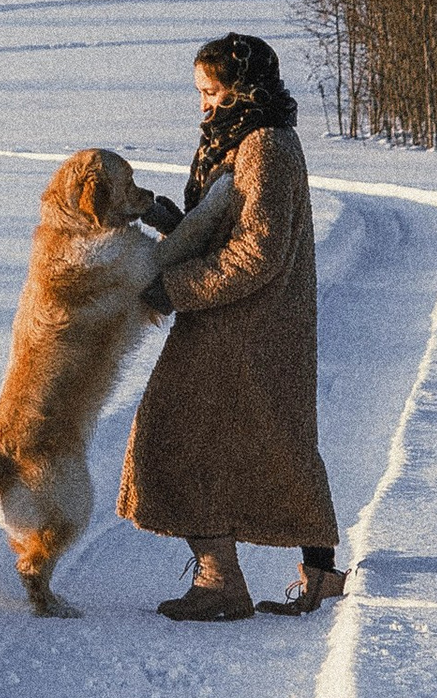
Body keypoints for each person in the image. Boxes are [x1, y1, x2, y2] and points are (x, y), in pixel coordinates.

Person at [117, 30, 344, 621]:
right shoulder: (244, 137)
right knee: (269, 443)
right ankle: (316, 573)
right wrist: (162, 217)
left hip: (244, 321)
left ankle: (222, 583)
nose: (204, 103)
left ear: (244, 87)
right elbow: (219, 227)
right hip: (239, 317)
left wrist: (170, 289)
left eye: (212, 90)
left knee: (174, 433)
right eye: (199, 91)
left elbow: (256, 252)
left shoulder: (263, 145)